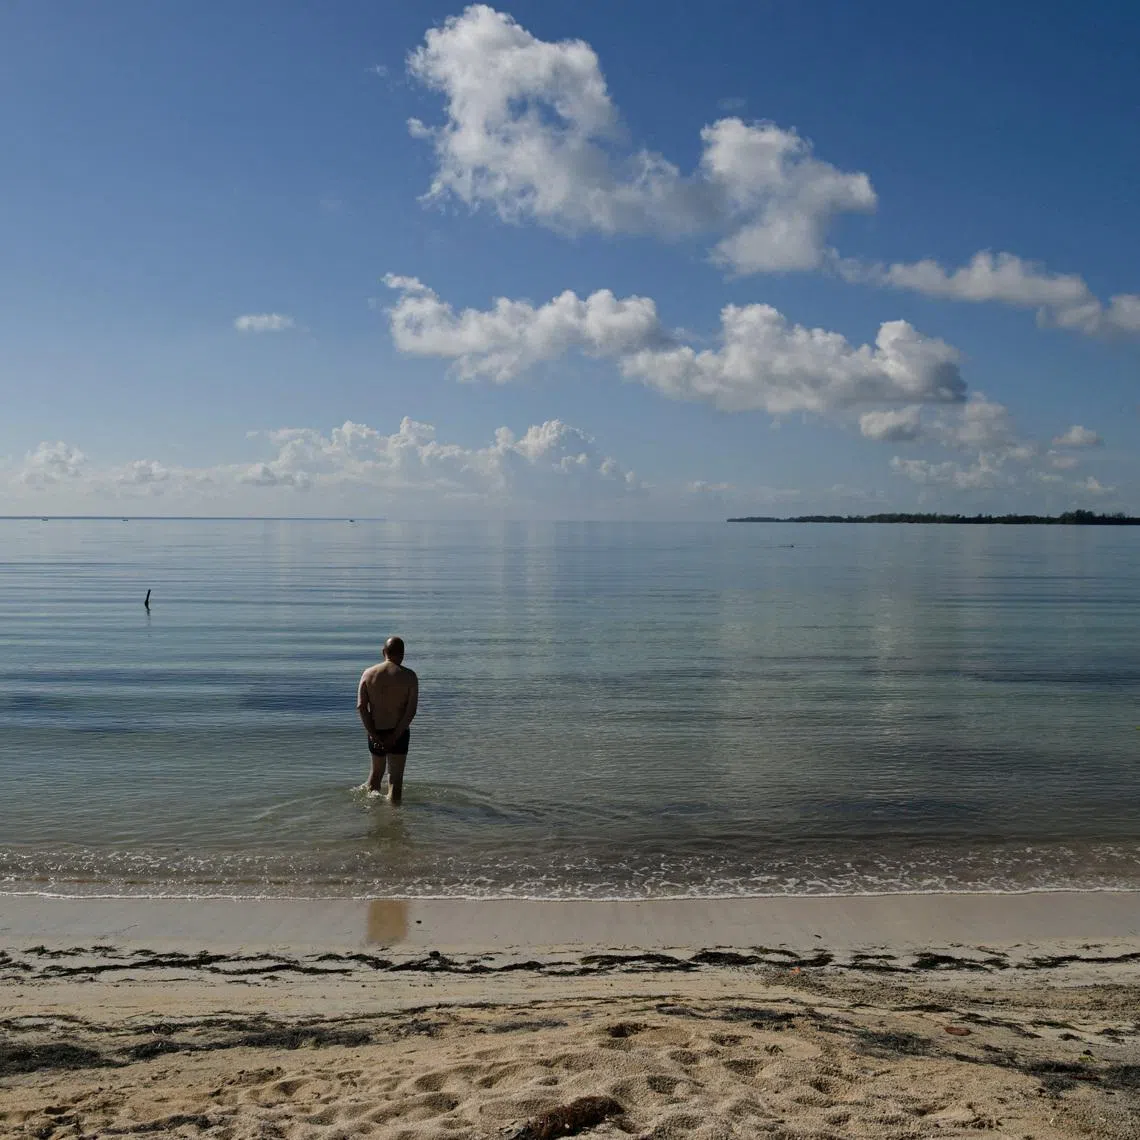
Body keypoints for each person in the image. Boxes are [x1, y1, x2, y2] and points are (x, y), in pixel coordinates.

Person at [356, 636, 418, 803]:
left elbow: (361, 707)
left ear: (384, 652)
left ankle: (370, 812)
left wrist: (373, 734)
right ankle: (394, 821)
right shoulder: (410, 676)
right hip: (399, 733)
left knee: (375, 776)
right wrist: (395, 736)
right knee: (395, 782)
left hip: (376, 730)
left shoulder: (368, 674)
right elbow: (411, 712)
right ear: (403, 654)